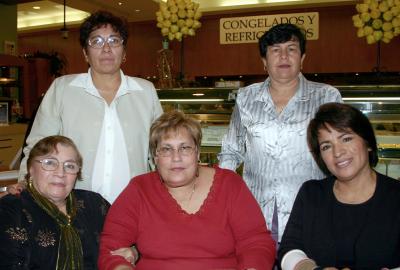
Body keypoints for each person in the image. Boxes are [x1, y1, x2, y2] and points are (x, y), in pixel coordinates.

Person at [98, 111, 276, 270]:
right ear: (155, 157)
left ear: (197, 153)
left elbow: (256, 242)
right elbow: (111, 249)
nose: (176, 157)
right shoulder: (139, 189)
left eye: (185, 148)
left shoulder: (230, 185)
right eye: (166, 149)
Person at [17, 10, 163, 203]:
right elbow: (38, 144)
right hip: (74, 205)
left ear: (124, 51)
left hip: (133, 205)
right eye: (96, 41)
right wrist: (24, 183)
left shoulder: (145, 91)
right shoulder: (63, 89)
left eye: (114, 40)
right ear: (85, 53)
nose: (106, 49)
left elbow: (159, 149)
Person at [218, 23, 342, 242]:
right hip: (255, 209)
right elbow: (230, 151)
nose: (284, 56)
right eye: (275, 50)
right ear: (264, 61)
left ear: (302, 58)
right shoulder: (246, 97)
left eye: (291, 49)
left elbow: (338, 152)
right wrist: (223, 197)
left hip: (311, 208)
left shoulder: (326, 96)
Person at [278, 103, 400, 269]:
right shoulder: (311, 193)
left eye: (346, 138)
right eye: (326, 146)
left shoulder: (395, 196)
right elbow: (289, 249)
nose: (338, 152)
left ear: (368, 143)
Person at [0, 135, 110, 269]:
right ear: (31, 169)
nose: (60, 173)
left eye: (70, 166)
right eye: (50, 163)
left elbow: (134, 237)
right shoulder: (11, 209)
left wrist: (132, 252)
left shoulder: (94, 204)